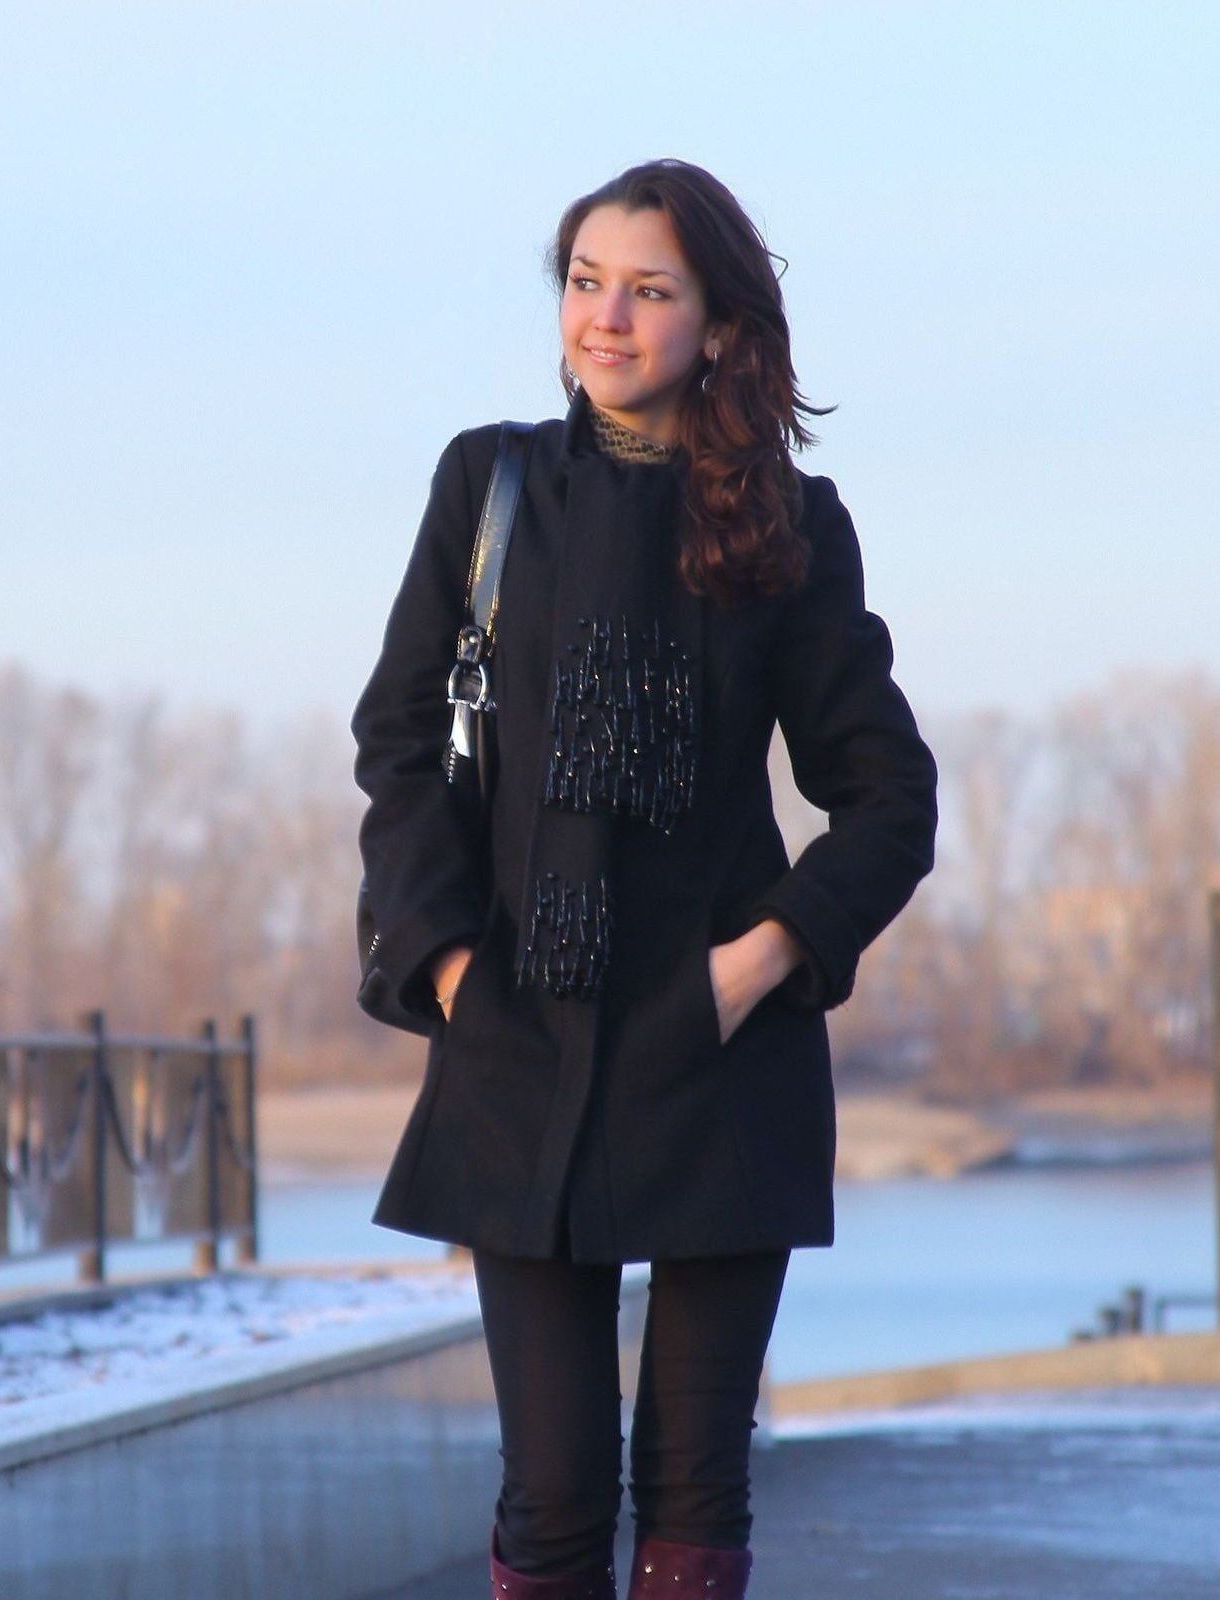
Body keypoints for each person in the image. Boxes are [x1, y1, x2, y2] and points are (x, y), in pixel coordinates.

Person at [350, 158, 938, 1599]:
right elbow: (400, 746)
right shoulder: (486, 488)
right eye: (584, 283)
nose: (605, 319)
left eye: (649, 291)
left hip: (716, 1056)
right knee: (551, 1493)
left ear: (722, 325)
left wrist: (759, 966)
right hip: (517, 1040)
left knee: (693, 1486)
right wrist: (449, 970)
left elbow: (887, 799)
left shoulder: (794, 527)